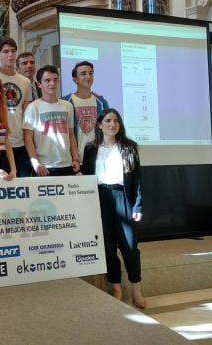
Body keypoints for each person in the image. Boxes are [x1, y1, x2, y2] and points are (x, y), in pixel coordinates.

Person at [81, 108, 145, 309]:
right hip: (100, 198)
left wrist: (137, 205)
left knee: (129, 247)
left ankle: (136, 289)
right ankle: (116, 287)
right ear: (99, 124)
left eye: (116, 121)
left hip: (123, 198)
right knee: (108, 247)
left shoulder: (129, 147)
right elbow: (86, 175)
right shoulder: (90, 148)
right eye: (108, 120)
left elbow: (138, 180)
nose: (112, 124)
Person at [22, 65, 79, 176]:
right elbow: (28, 138)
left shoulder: (68, 106)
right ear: (39, 84)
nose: (52, 83)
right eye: (47, 80)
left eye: (55, 80)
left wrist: (75, 158)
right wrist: (36, 163)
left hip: (67, 165)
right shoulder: (33, 107)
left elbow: (71, 135)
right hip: (44, 167)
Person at [0, 37, 33, 177]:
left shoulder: (26, 82)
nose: (10, 54)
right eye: (6, 51)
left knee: (24, 187)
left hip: (20, 142)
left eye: (13, 51)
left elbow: (27, 111)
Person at [61, 61, 110, 161]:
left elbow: (108, 131)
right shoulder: (65, 102)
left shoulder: (101, 102)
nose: (88, 76)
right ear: (75, 79)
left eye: (90, 73)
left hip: (98, 159)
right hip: (73, 160)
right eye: (83, 74)